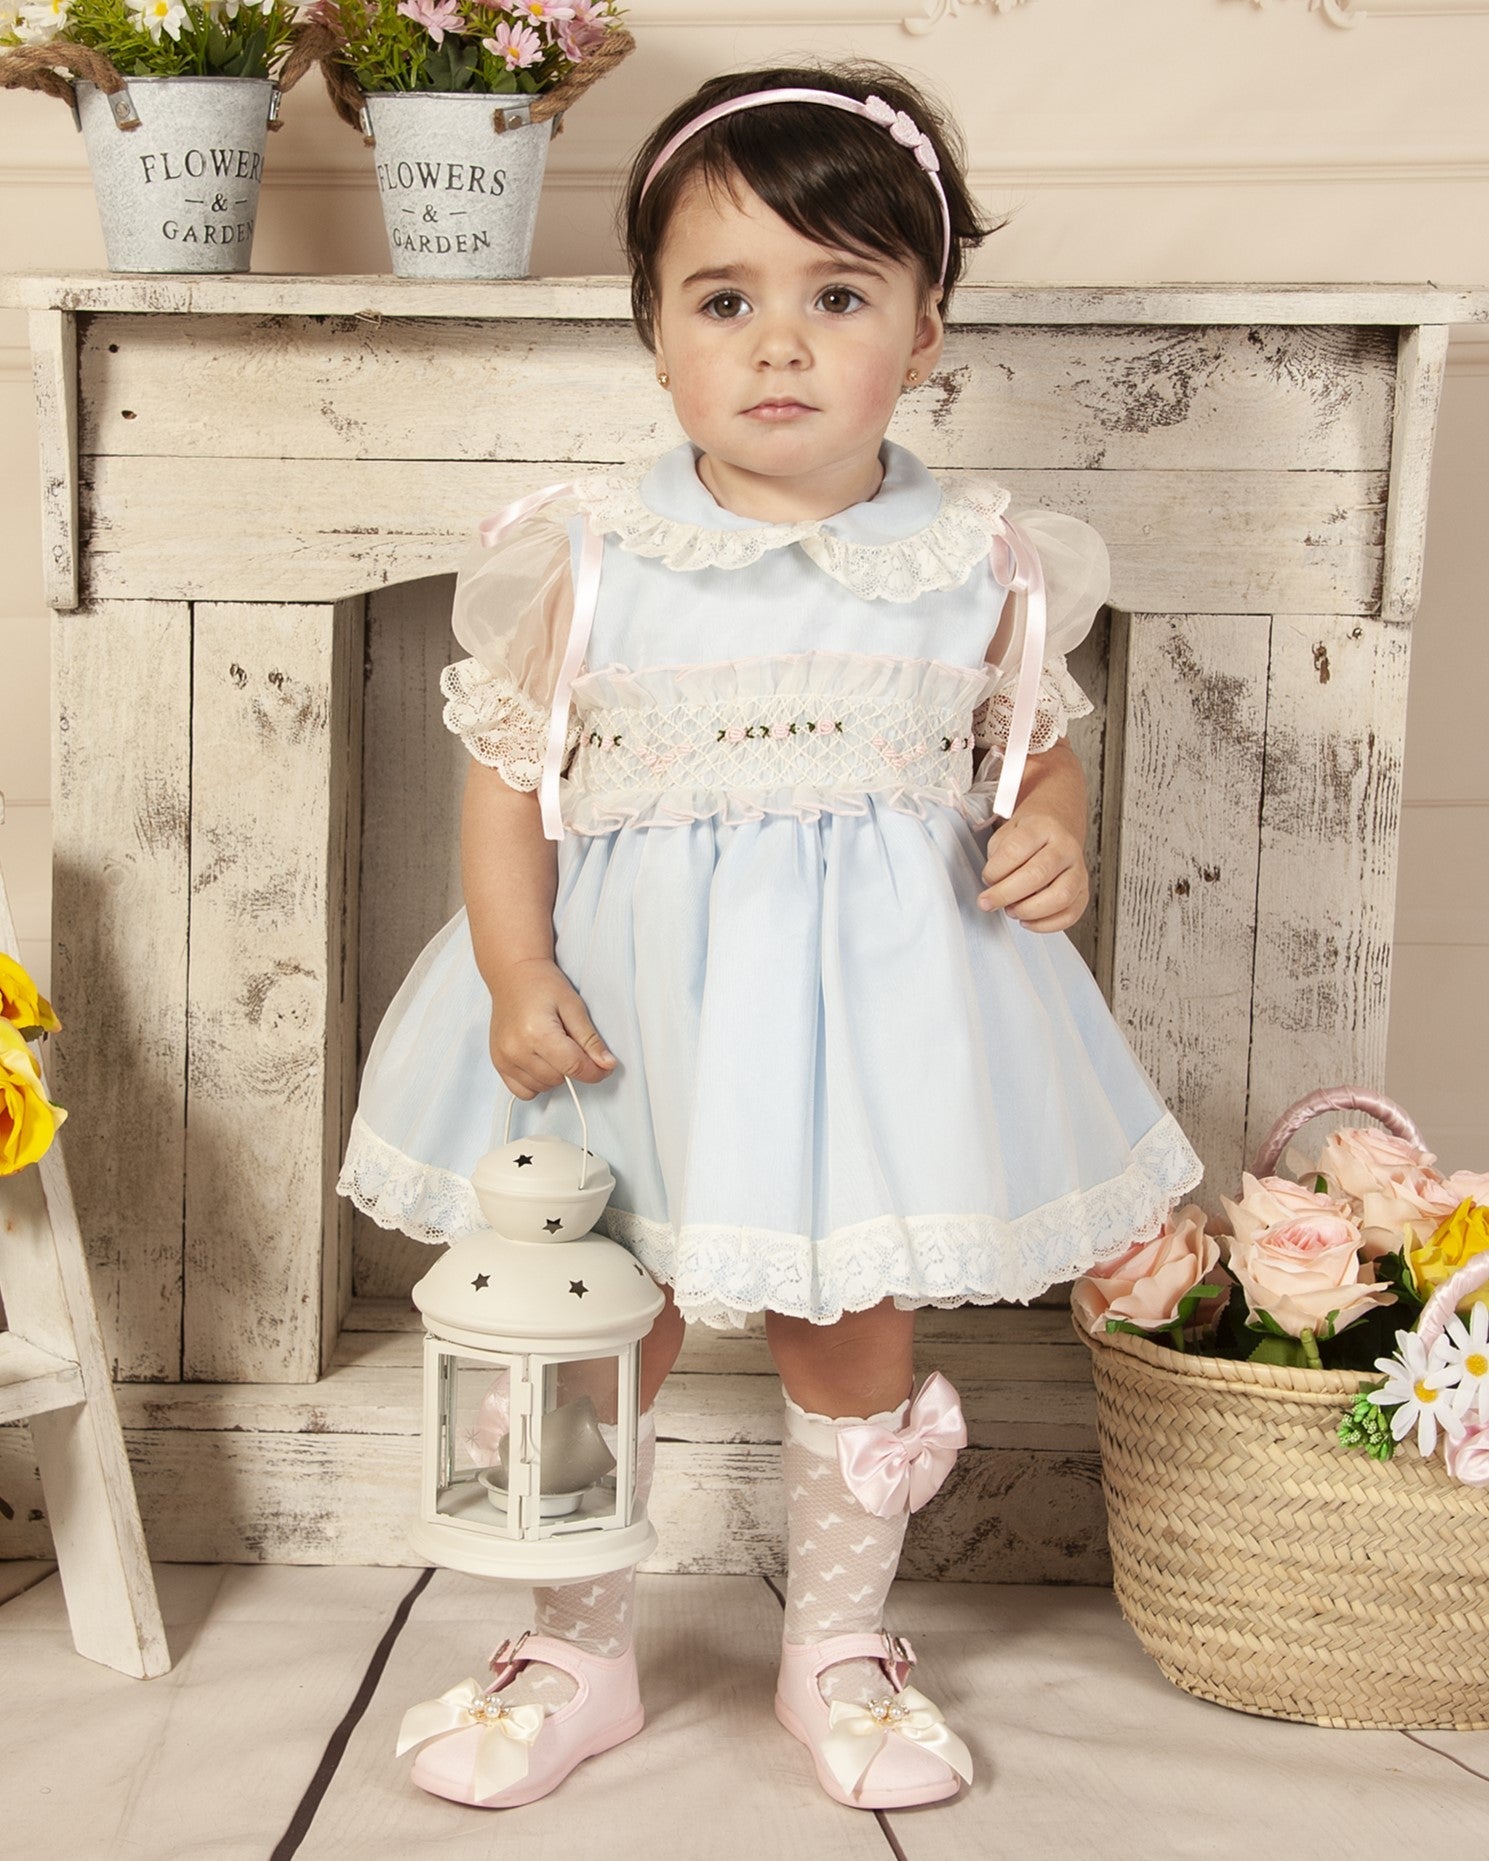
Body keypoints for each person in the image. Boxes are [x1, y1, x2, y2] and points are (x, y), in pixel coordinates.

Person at [341, 60, 1204, 1813]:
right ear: (656, 334)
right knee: (598, 1310)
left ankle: (838, 1643)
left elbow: (1029, 749)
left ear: (925, 327)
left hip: (870, 1034)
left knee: (847, 1319)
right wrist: (515, 968)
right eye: (724, 302)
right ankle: (574, 1646)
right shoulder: (599, 555)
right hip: (630, 1024)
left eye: (839, 297)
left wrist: (1051, 830)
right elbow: (508, 783)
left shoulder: (976, 560)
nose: (780, 345)